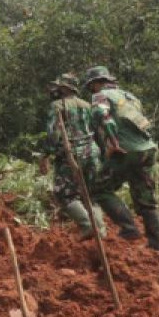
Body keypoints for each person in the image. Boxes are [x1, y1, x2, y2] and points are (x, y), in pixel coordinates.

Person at [83, 65, 159, 251]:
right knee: (146, 197)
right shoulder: (130, 97)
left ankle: (129, 228)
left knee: (98, 189)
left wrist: (113, 142)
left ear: (96, 83)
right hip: (147, 150)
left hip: (124, 151)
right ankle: (157, 245)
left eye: (91, 86)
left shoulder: (100, 96)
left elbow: (102, 115)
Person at [38, 73, 105, 239]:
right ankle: (100, 229)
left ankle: (88, 226)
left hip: (71, 154)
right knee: (91, 193)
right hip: (92, 151)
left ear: (65, 88)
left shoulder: (57, 106)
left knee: (64, 194)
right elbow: (98, 131)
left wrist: (45, 155)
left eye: (60, 86)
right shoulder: (87, 105)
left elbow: (53, 134)